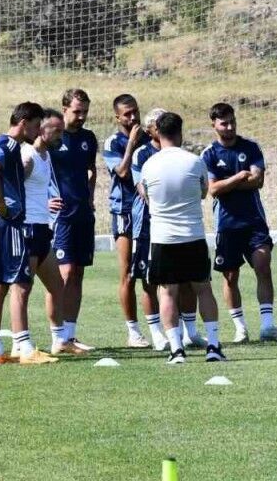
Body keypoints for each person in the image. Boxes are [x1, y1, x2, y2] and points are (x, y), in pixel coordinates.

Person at [0, 102, 58, 365]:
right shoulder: (8, 145)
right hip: (8, 221)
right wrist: (1, 204)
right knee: (20, 282)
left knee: (0, 284)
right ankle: (24, 348)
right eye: (36, 125)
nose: (38, 131)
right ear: (24, 123)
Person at [137, 112, 227, 364]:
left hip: (163, 238)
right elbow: (203, 192)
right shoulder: (195, 162)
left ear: (157, 132)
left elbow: (145, 195)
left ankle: (176, 350)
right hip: (193, 236)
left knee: (167, 293)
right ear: (180, 132)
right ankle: (213, 346)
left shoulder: (149, 165)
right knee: (204, 289)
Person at [202, 103, 277, 343]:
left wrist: (228, 183)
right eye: (224, 123)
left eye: (232, 122)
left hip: (254, 221)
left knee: (263, 265)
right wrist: (240, 176)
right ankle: (240, 328)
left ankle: (267, 326)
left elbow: (257, 180)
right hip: (226, 225)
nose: (230, 127)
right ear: (214, 125)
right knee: (230, 277)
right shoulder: (209, 154)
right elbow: (213, 189)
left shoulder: (250, 147)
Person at [21, 109, 77, 356]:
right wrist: (44, 204)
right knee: (22, 289)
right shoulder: (27, 155)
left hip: (43, 229)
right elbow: (11, 188)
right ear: (40, 129)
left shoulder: (45, 156)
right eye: (57, 131)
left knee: (56, 285)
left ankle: (60, 340)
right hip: (27, 229)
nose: (60, 136)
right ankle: (22, 343)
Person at [49, 89, 98, 353]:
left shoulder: (88, 138)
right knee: (63, 274)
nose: (81, 116)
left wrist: (90, 196)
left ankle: (69, 334)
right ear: (64, 109)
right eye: (77, 111)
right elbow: (36, 170)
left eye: (85, 112)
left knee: (78, 273)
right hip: (61, 217)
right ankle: (56, 336)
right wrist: (46, 199)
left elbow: (91, 169)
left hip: (83, 215)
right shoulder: (53, 137)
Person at [102, 93, 151, 348]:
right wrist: (131, 143)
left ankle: (160, 329)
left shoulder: (150, 139)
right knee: (128, 273)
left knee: (152, 273)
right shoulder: (114, 142)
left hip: (150, 211)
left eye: (135, 112)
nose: (133, 117)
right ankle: (133, 331)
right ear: (117, 117)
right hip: (124, 211)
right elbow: (122, 172)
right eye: (127, 114)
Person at [130, 108, 177, 351]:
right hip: (148, 223)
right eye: (157, 125)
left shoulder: (177, 153)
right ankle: (156, 332)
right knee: (148, 279)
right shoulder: (142, 154)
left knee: (178, 278)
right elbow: (142, 188)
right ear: (150, 131)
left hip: (175, 223)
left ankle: (183, 331)